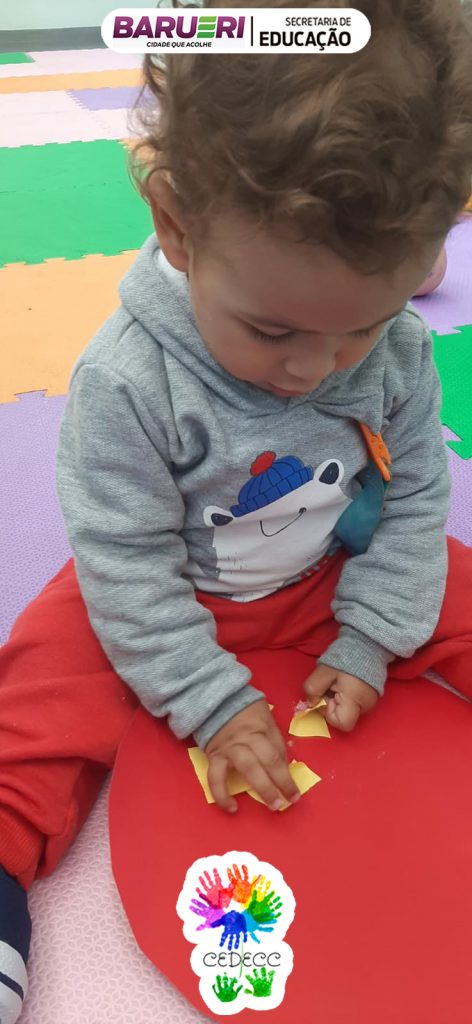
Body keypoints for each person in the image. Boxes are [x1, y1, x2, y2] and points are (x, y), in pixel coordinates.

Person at [1, 1, 472, 1020]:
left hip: (329, 568)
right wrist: (208, 700)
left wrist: (370, 637)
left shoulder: (390, 345)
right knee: (33, 697)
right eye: (271, 330)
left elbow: (414, 494)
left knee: (455, 573)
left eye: (361, 326)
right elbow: (126, 562)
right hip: (166, 592)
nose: (315, 369)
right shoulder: (127, 382)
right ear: (176, 223)